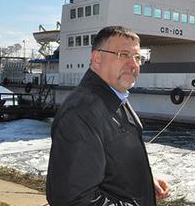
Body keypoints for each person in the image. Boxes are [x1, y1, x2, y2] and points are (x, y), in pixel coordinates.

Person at [46, 26, 169, 205]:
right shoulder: (81, 112)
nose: (133, 64)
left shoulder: (115, 97)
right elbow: (73, 199)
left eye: (137, 57)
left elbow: (111, 163)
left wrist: (143, 182)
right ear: (97, 59)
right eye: (123, 55)